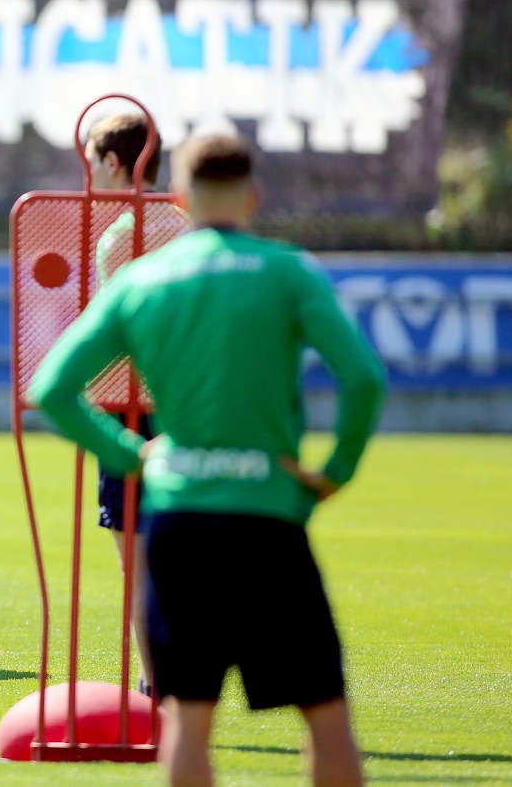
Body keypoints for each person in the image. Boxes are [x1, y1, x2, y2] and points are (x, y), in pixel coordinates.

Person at [27, 132, 387, 786]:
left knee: (187, 724)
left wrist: (131, 456)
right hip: (268, 516)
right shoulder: (287, 271)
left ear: (182, 199)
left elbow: (51, 389)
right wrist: (332, 473)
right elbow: (363, 379)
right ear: (252, 197)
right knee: (327, 721)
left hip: (179, 520)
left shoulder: (142, 277)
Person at [82, 111, 174, 696]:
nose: (89, 173)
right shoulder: (188, 225)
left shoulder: (121, 236)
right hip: (191, 406)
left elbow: (116, 333)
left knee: (137, 558)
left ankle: (155, 683)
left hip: (129, 408)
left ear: (114, 162)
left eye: (93, 161)